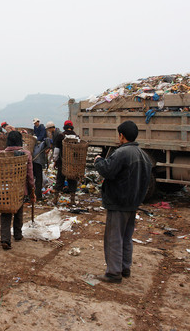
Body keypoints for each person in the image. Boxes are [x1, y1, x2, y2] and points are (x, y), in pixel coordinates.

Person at [93, 121, 152, 283]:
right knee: (126, 237)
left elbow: (107, 171)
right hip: (132, 203)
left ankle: (113, 272)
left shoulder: (122, 153)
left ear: (122, 136)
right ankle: (125, 267)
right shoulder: (143, 155)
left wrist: (98, 160)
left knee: (114, 237)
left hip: (118, 201)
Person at [0, 131, 35, 250]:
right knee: (18, 209)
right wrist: (31, 190)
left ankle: (5, 239)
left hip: (4, 188)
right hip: (19, 188)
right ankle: (18, 234)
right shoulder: (25, 153)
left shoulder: (1, 154)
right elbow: (29, 174)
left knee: (5, 213)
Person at [52, 120, 79, 205]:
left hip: (62, 162)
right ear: (72, 127)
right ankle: (72, 200)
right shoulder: (77, 137)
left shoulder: (61, 136)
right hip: (73, 163)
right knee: (72, 180)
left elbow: (56, 150)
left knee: (60, 179)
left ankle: (55, 199)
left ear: (64, 127)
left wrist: (55, 160)